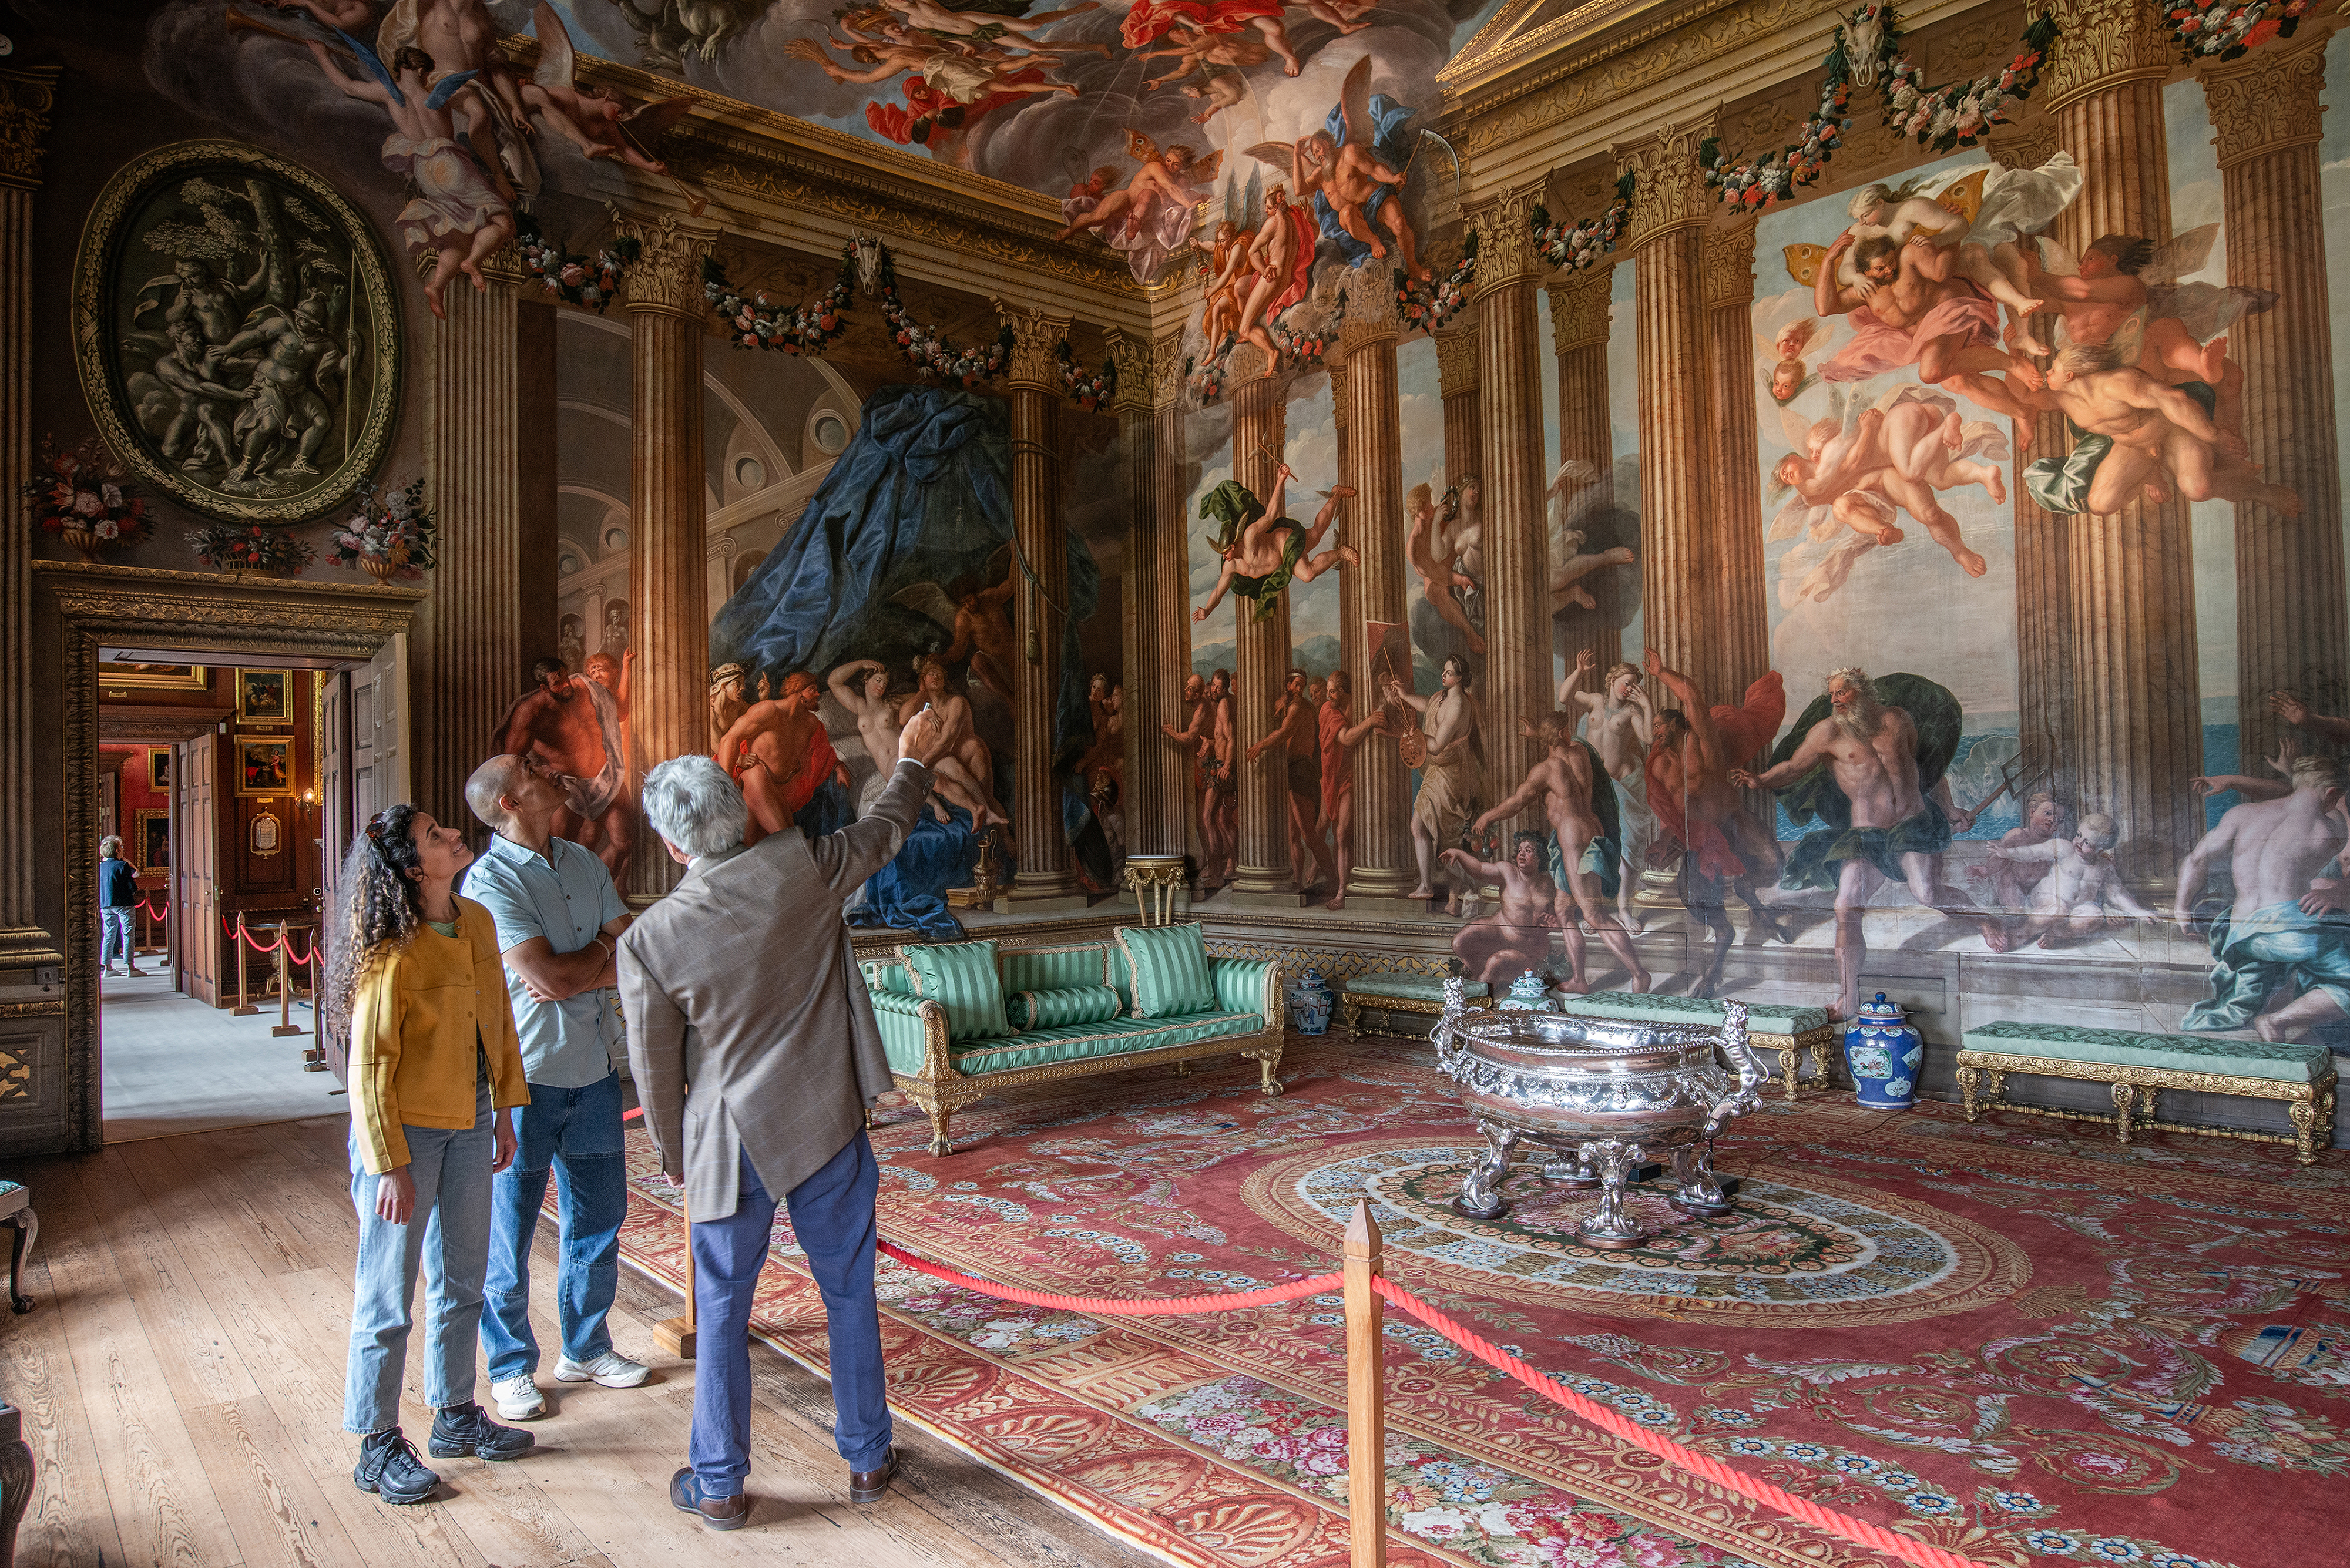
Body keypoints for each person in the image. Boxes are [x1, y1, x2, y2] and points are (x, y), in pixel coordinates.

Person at [618, 707, 949, 1529]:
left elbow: (657, 1071)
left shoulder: (651, 938)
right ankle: (869, 1459)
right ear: (734, 812)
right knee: (849, 1292)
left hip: (728, 1146)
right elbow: (886, 827)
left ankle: (721, 1481)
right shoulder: (801, 866)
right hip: (825, 1119)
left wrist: (672, 1153)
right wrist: (909, 759)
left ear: (672, 844)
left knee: (724, 1312)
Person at [325, 803, 533, 1507]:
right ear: (413, 867)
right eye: (433, 836)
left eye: (444, 829)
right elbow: (368, 1067)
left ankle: (453, 1413)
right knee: (389, 1292)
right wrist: (388, 1162)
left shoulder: (474, 920)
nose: (451, 836)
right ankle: (376, 1441)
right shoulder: (391, 945)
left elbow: (498, 1019)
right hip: (405, 1131)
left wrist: (505, 1107)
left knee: (463, 1275)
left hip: (472, 1118)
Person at [461, 755, 645, 1427]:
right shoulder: (487, 881)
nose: (551, 771)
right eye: (534, 770)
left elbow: (631, 952)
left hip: (596, 1068)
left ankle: (586, 1347)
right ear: (511, 800)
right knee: (507, 1234)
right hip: (524, 1079)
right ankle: (510, 1366)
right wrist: (596, 958)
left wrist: (588, 958)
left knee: (599, 1219)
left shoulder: (583, 861)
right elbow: (552, 977)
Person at [1731, 667, 1998, 1019]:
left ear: (1863, 692)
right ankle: (1849, 996)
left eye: (1841, 693)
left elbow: (1926, 771)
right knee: (1846, 906)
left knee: (1928, 894)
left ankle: (1984, 920)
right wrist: (1760, 780)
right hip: (1866, 833)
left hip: (1911, 824)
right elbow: (1794, 767)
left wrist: (1948, 810)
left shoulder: (1897, 721)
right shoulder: (1827, 733)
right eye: (1831, 695)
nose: (1835, 701)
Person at [2177, 754, 2350, 1042]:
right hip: (2287, 933)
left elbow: (2196, 860)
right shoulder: (2329, 829)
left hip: (2239, 933)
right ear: (2332, 793)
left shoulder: (2241, 815)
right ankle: (2277, 1021)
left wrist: (2182, 909)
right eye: (2338, 797)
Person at [1472, 716, 1650, 995]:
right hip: (1584, 830)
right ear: (1563, 733)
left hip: (1571, 835)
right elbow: (1564, 745)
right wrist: (1541, 733)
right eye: (1566, 730)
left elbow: (1517, 802)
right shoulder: (1581, 753)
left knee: (1593, 913)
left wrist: (1488, 817)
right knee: (1564, 910)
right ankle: (1580, 979)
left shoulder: (1546, 769)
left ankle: (1639, 974)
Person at [491, 657, 636, 882]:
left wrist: (626, 670)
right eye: (558, 683)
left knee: (623, 842)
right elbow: (510, 763)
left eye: (565, 677)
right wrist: (542, 773)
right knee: (555, 854)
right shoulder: (530, 713)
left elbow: (621, 712)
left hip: (607, 777)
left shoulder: (588, 690)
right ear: (543, 688)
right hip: (566, 786)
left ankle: (594, 890)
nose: (566, 685)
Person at [1557, 650, 1655, 935]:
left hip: (1619, 786)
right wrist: (1579, 671)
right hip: (1590, 788)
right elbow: (1565, 697)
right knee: (1589, 848)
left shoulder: (1632, 712)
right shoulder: (1595, 702)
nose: (1630, 689)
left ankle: (1623, 909)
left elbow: (1648, 738)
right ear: (1612, 681)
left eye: (1635, 685)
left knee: (1627, 847)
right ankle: (1593, 910)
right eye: (1626, 683)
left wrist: (1647, 705)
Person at [1386, 656, 1482, 915]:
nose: (1444, 675)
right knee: (1424, 827)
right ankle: (1430, 885)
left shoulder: (1458, 705)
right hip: (1437, 773)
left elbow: (1438, 745)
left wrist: (1416, 736)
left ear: (1460, 678)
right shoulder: (1443, 697)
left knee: (1438, 833)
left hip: (1451, 775)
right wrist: (1405, 696)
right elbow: (1427, 705)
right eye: (1444, 671)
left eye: (1449, 673)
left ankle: (1470, 884)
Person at [1440, 832, 1557, 984]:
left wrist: (1554, 924)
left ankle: (1482, 990)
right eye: (1520, 850)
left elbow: (1563, 915)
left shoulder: (1551, 884)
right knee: (1459, 942)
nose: (1522, 854)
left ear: (1540, 857)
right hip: (1499, 930)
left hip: (1528, 948)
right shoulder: (1508, 872)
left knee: (1495, 962)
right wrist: (1460, 855)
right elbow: (1480, 869)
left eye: (1528, 851)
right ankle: (1478, 975)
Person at [99, 835, 146, 978]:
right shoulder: (123, 866)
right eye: (121, 847)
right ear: (117, 850)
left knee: (108, 935)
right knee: (128, 934)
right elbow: (134, 882)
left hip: (106, 904)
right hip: (124, 903)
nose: (123, 849)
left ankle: (108, 968)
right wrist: (127, 862)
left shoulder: (101, 867)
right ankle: (130, 968)